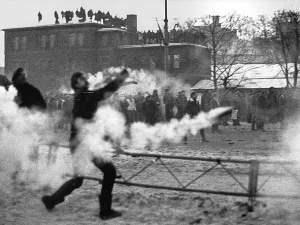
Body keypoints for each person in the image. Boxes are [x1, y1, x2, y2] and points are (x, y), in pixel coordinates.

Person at [41, 69, 129, 220]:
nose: (86, 78)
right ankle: (105, 211)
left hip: (78, 142)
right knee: (109, 172)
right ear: (77, 83)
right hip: (84, 144)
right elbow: (105, 91)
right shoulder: (86, 95)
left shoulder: (79, 96)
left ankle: (51, 200)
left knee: (77, 180)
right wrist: (121, 78)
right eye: (82, 78)